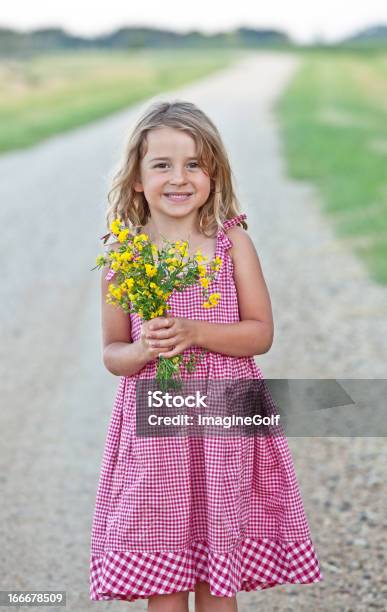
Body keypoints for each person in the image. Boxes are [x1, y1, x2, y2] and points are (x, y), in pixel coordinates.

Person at [89, 99, 323, 611]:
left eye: (194, 163)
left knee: (218, 581)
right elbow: (112, 353)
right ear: (136, 179)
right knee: (165, 580)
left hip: (225, 426)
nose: (179, 178)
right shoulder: (124, 255)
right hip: (157, 435)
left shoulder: (231, 243)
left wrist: (195, 331)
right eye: (162, 165)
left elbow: (260, 333)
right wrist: (142, 348)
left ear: (213, 173)